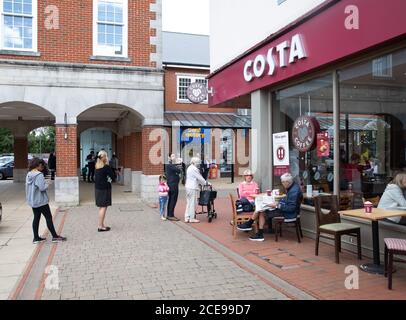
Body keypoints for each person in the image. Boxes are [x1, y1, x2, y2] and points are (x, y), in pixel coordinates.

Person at [237, 172, 302, 242]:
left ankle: (255, 229)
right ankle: (254, 228)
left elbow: (291, 208)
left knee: (262, 211)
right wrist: (278, 203)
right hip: (284, 210)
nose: (282, 184)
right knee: (262, 209)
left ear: (287, 182)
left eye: (283, 182)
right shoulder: (292, 187)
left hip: (289, 214)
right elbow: (287, 201)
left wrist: (277, 205)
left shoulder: (293, 191)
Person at [26, 158, 66, 244]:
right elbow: (42, 188)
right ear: (37, 165)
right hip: (41, 201)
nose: (43, 167)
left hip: (34, 201)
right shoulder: (39, 175)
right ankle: (55, 236)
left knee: (36, 218)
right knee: (48, 217)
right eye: (42, 165)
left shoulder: (29, 174)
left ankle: (36, 238)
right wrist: (48, 183)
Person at [184, 157, 210, 223]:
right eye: (197, 162)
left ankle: (187, 217)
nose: (198, 164)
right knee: (193, 203)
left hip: (188, 187)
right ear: (194, 162)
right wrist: (206, 183)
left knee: (189, 203)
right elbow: (199, 178)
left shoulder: (189, 167)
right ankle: (192, 218)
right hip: (192, 187)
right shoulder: (194, 169)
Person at [94, 150, 115, 232]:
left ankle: (101, 224)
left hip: (98, 189)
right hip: (104, 189)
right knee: (103, 207)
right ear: (105, 157)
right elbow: (113, 177)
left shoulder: (97, 166)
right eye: (106, 156)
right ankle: (100, 226)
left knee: (101, 207)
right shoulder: (106, 167)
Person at [165, 154, 182, 221]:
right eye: (172, 156)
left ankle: (170, 214)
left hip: (173, 184)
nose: (174, 157)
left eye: (175, 156)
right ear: (169, 157)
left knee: (171, 200)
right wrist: (178, 163)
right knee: (173, 200)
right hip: (173, 185)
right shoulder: (170, 165)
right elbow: (179, 170)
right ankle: (170, 215)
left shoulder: (172, 165)